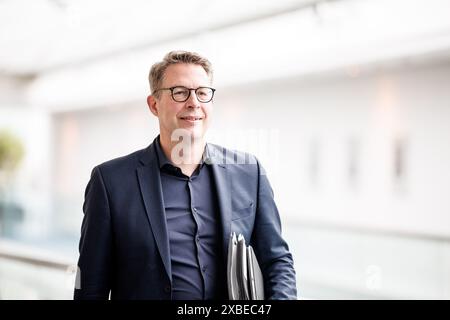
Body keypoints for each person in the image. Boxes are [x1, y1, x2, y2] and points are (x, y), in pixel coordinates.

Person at [74, 50, 297, 300]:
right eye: (180, 92)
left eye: (202, 92)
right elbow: (91, 287)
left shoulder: (248, 172)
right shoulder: (110, 182)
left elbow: (277, 261)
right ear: (154, 105)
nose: (194, 103)